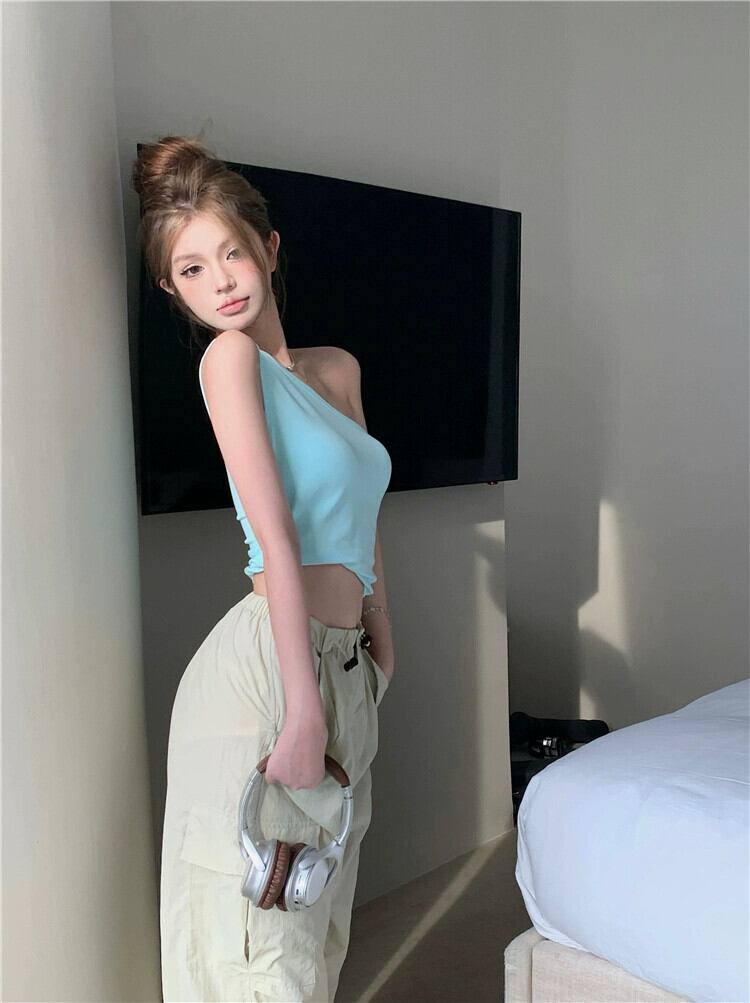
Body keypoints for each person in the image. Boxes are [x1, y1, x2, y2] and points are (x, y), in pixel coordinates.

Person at [131, 134, 394, 1002]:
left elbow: (363, 517)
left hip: (342, 664)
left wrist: (381, 642)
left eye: (232, 253)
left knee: (318, 932)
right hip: (269, 674)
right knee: (260, 951)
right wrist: (305, 703)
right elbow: (275, 538)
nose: (221, 282)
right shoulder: (228, 359)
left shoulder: (337, 371)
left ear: (269, 249)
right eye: (193, 269)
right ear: (172, 288)